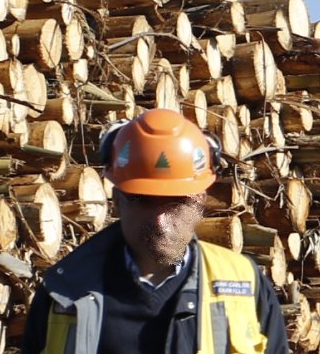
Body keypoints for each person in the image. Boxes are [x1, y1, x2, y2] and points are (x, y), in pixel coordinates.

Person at [21, 108, 289, 353]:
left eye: (176, 203)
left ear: (200, 201)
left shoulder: (243, 284)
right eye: (144, 201)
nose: (160, 222)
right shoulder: (65, 290)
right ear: (117, 199)